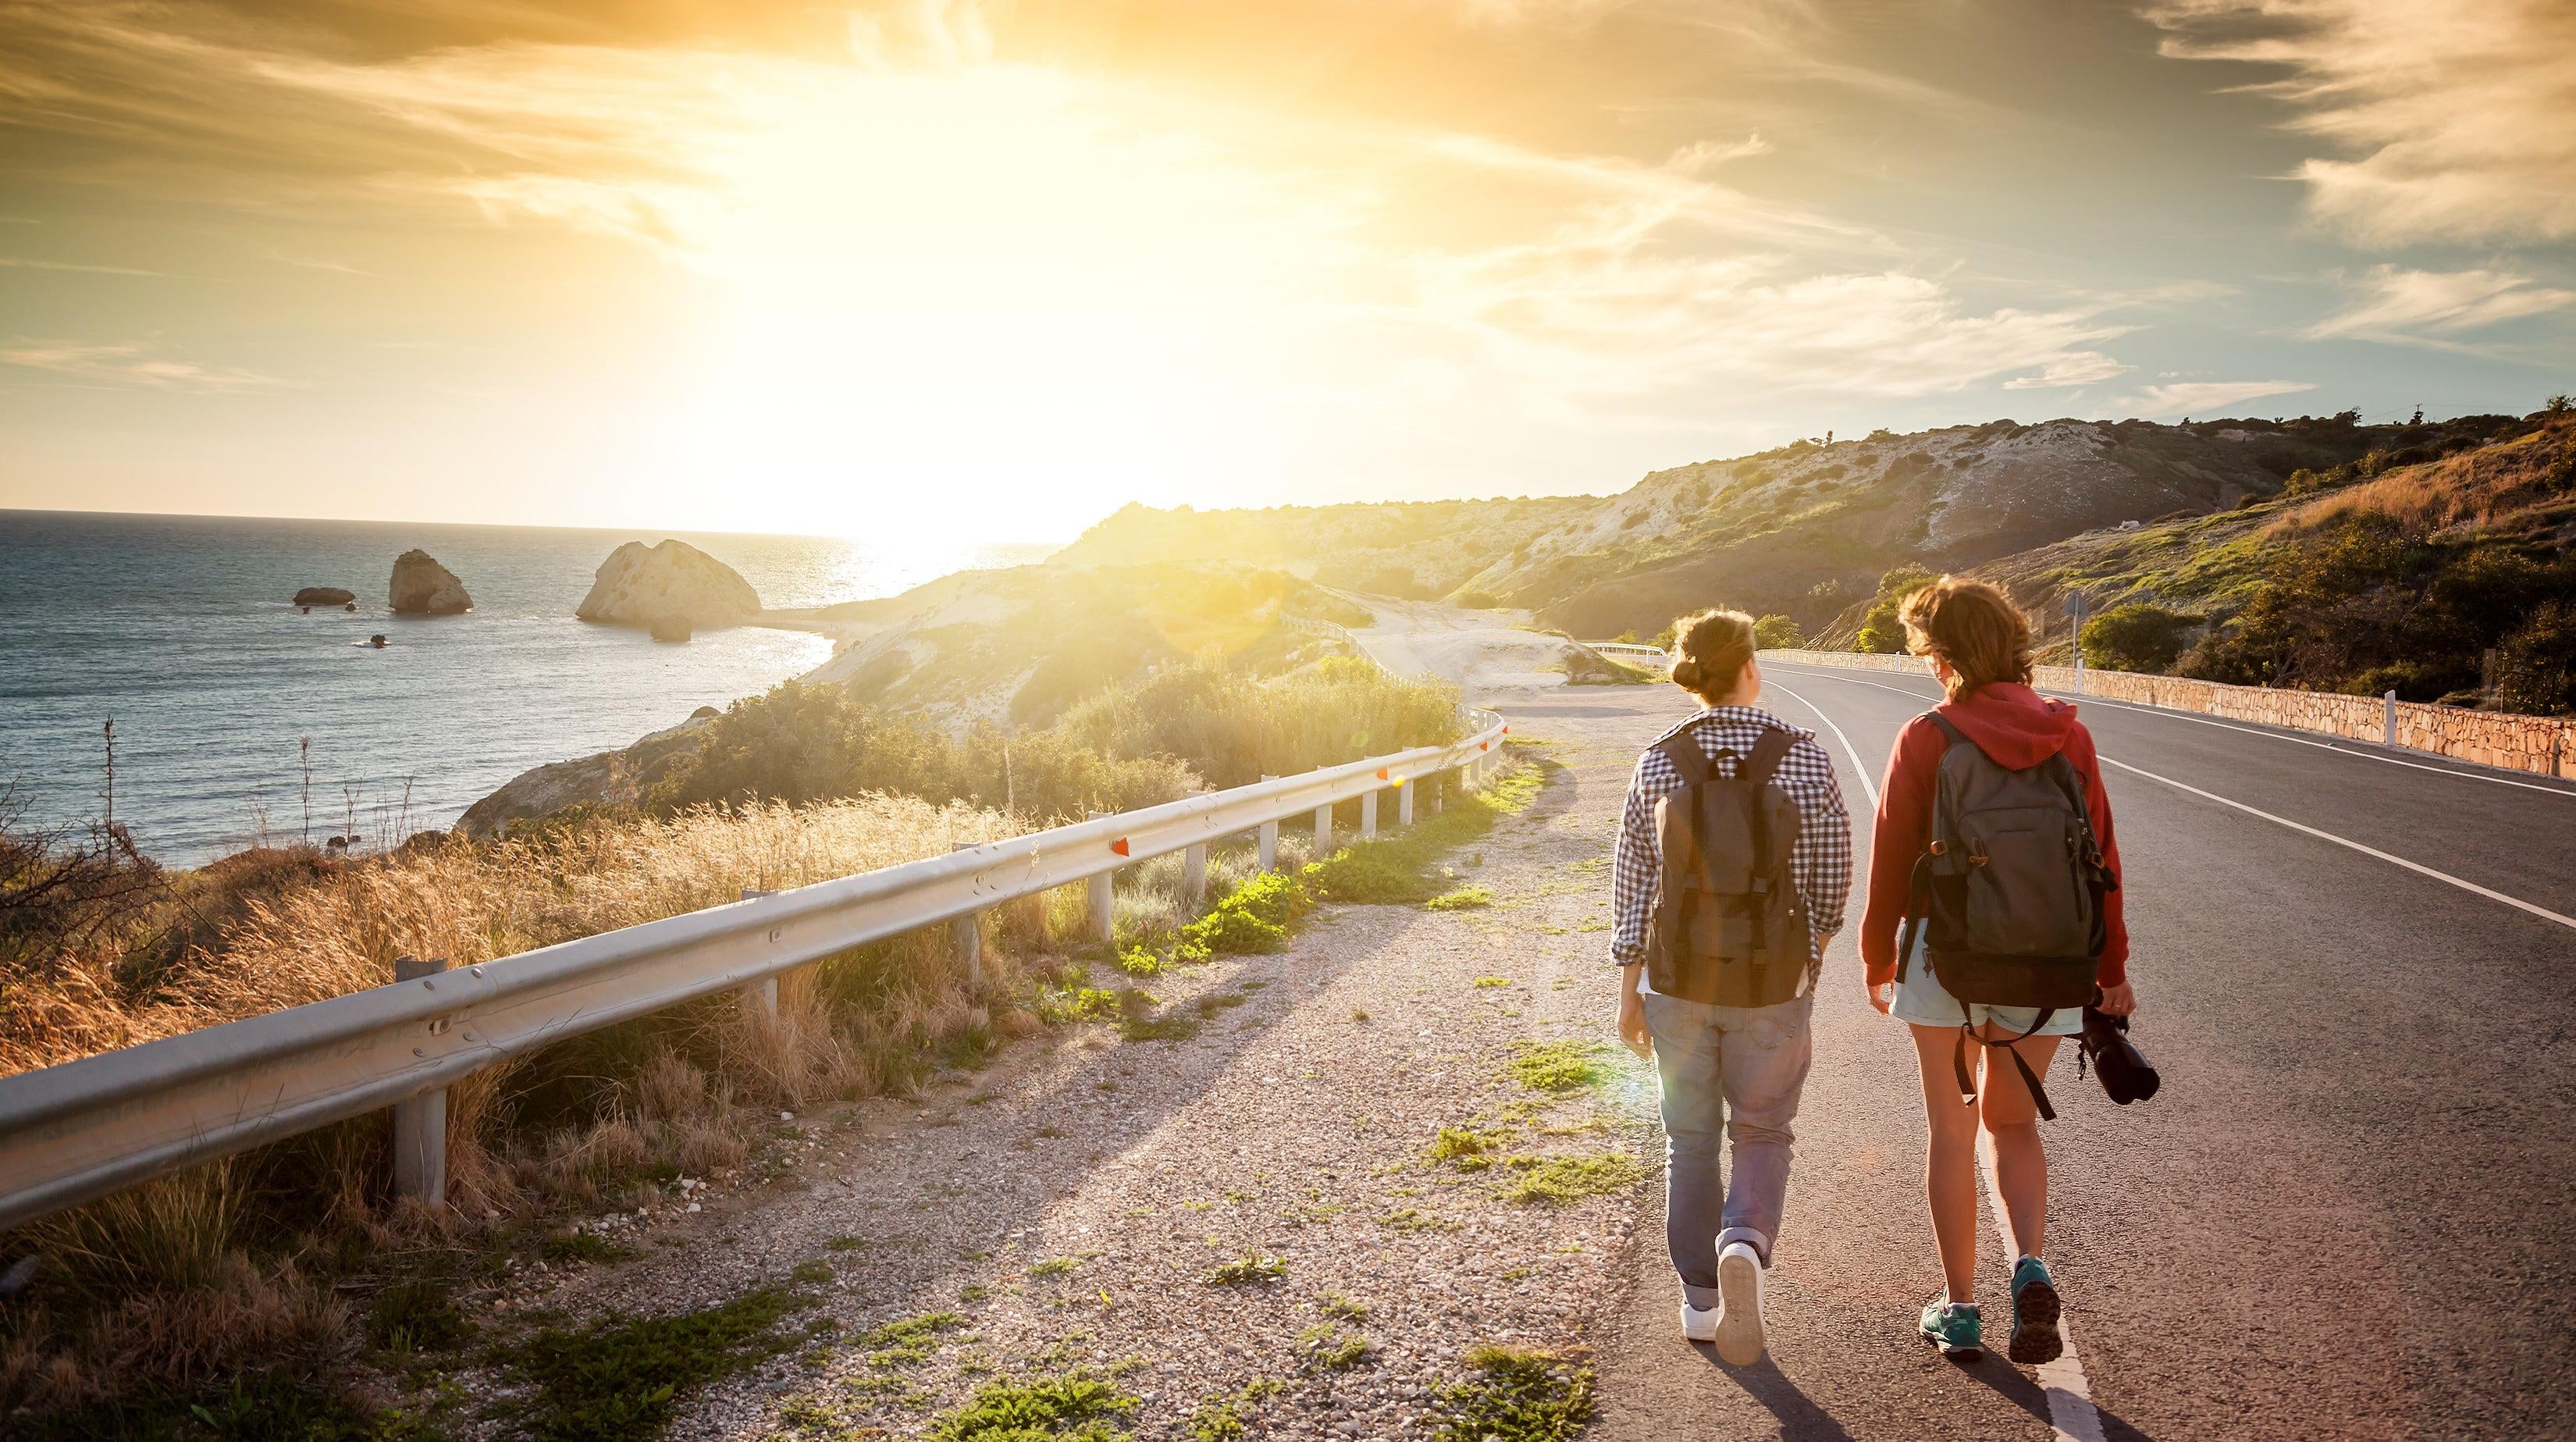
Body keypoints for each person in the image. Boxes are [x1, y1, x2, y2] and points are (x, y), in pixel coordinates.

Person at [1858, 576, 2135, 1365]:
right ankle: (2030, 1265)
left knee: (1951, 1129)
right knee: (2011, 1122)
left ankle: (1960, 1307)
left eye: (1926, 651)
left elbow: (1890, 863)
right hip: (2048, 962)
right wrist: (2111, 967)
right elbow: (2102, 860)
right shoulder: (2069, 736)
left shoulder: (1928, 735)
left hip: (1946, 959)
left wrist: (1878, 957)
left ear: (1944, 656)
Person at [1611, 608, 1851, 1365]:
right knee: (1763, 1130)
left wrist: (1629, 987)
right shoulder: (1805, 759)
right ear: (1751, 666)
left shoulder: (1657, 762)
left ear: (1693, 675)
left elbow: (1632, 882)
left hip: (1678, 981)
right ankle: (1744, 1237)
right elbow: (1832, 877)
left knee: (1688, 1140)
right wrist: (1808, 954)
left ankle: (1700, 1299)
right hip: (1772, 983)